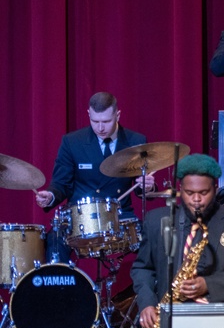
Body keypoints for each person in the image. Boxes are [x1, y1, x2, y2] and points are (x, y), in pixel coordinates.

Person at [132, 154, 224, 328]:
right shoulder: (157, 220)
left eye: (203, 193)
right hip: (170, 316)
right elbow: (143, 268)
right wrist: (147, 303)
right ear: (180, 189)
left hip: (221, 314)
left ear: (215, 189)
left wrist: (208, 285)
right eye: (189, 193)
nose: (196, 200)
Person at [35, 92, 155, 261]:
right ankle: (61, 287)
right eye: (95, 121)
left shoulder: (136, 141)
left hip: (120, 216)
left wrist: (147, 186)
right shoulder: (72, 142)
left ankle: (150, 287)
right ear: (88, 114)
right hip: (80, 218)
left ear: (117, 115)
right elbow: (61, 183)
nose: (100, 128)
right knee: (54, 241)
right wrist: (51, 195)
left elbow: (141, 189)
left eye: (106, 121)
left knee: (154, 242)